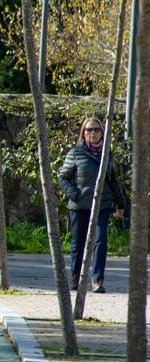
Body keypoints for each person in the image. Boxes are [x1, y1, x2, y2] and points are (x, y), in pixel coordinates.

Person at [57, 117, 125, 294]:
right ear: (83, 133)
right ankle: (75, 277)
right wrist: (75, 195)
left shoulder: (106, 154)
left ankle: (97, 280)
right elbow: (62, 178)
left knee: (100, 240)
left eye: (96, 129)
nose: (92, 133)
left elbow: (113, 180)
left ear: (102, 132)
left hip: (102, 204)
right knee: (78, 243)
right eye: (88, 130)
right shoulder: (75, 153)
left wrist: (120, 203)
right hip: (80, 205)